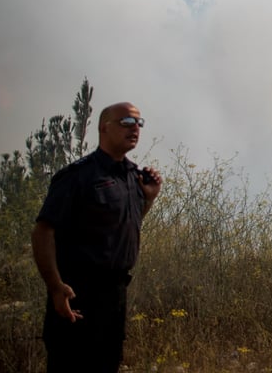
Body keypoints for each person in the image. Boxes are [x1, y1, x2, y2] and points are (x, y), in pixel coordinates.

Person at [31, 102, 163, 373]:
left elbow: (127, 225)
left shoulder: (133, 176)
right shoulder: (78, 176)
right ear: (104, 127)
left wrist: (148, 199)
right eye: (126, 122)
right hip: (78, 293)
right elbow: (43, 231)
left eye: (139, 123)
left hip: (115, 296)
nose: (135, 128)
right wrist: (56, 286)